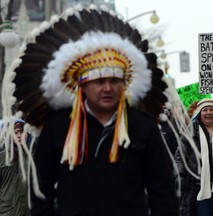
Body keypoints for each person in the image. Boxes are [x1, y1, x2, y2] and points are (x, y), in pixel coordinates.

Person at [0, 5, 179, 216]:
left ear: (125, 84)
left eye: (115, 81)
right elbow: (40, 188)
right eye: (99, 81)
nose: (108, 88)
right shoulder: (58, 126)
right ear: (82, 86)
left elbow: (162, 192)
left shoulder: (143, 125)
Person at [0, 119, 31, 216]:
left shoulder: (34, 157)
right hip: (7, 213)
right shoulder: (2, 158)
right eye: (15, 132)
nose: (19, 135)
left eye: (22, 131)